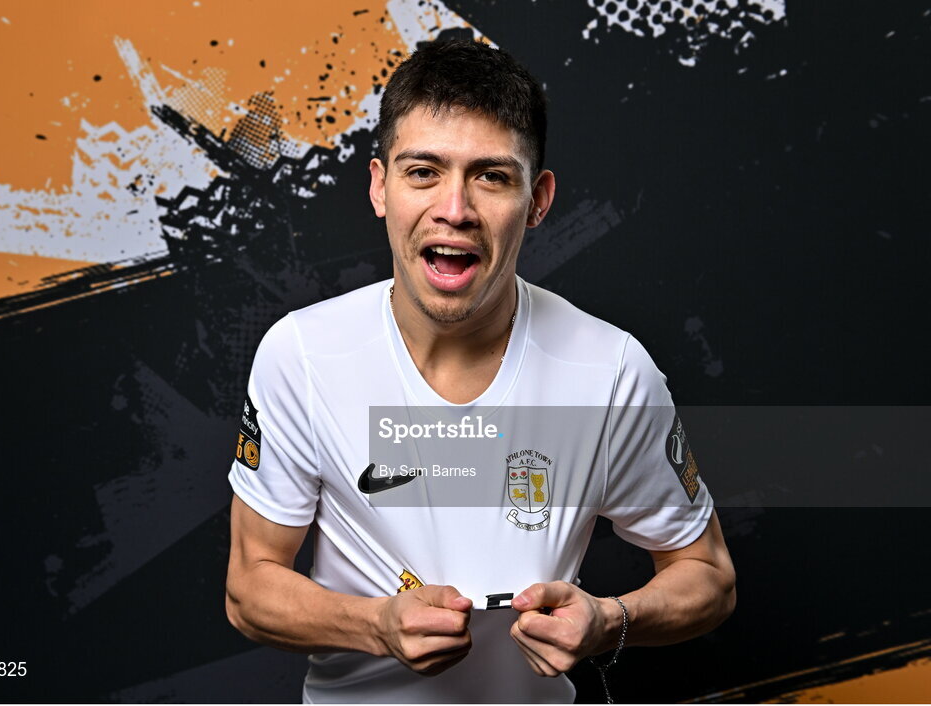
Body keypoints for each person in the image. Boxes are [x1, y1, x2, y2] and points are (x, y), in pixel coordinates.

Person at [225, 39, 735, 703]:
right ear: (380, 186)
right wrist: (376, 625)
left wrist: (609, 620)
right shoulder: (303, 356)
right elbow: (249, 587)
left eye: (491, 176)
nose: (455, 209)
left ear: (538, 199)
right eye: (423, 172)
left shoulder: (609, 371)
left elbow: (709, 576)